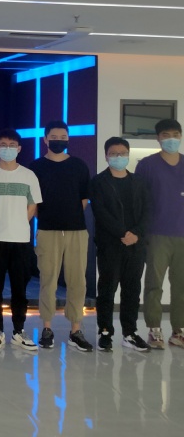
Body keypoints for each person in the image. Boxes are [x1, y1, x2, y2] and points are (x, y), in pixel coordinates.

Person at [29, 120, 93, 352]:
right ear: (45, 139)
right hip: (47, 230)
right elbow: (33, 202)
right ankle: (47, 328)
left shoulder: (79, 165)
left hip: (77, 230)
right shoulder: (35, 167)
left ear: (68, 139)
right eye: (54, 137)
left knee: (78, 281)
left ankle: (75, 330)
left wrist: (69, 216)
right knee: (48, 280)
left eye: (63, 137)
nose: (58, 140)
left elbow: (84, 199)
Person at [0, 128, 42, 351]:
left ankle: (18, 330)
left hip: (21, 241)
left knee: (20, 288)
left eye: (12, 145)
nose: (8, 149)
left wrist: (18, 224)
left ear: (19, 148)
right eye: (3, 145)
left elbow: (32, 206)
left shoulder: (29, 175)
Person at [90, 137, 151, 352]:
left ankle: (130, 332)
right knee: (107, 289)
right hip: (110, 244)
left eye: (122, 153)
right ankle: (105, 331)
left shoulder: (139, 181)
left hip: (136, 245)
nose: (118, 157)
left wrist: (136, 234)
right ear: (106, 156)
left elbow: (147, 211)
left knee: (132, 289)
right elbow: (100, 212)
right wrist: (122, 233)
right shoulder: (98, 182)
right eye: (113, 153)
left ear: (128, 154)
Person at [135, 118, 184, 349]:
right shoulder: (147, 165)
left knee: (181, 286)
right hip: (156, 233)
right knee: (154, 284)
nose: (171, 139)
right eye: (166, 135)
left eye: (175, 134)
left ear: (181, 136)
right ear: (158, 138)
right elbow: (138, 200)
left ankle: (178, 330)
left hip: (182, 233)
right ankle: (154, 329)